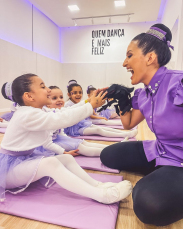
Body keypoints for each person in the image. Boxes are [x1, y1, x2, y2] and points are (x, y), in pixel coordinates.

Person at [0, 73, 132, 204]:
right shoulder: (26, 114)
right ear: (29, 96)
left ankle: (97, 185)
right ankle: (101, 195)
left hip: (21, 161)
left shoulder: (37, 111)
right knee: (51, 163)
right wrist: (90, 105)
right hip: (8, 172)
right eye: (43, 87)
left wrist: (88, 101)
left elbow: (61, 112)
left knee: (66, 158)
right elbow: (60, 119)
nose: (48, 90)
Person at [100, 23, 183, 226]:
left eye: (129, 55)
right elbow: (128, 124)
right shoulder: (144, 93)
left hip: (180, 161)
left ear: (150, 57)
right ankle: (163, 175)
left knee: (149, 205)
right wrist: (122, 99)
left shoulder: (177, 83)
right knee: (108, 155)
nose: (124, 63)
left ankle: (166, 180)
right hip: (159, 151)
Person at [43, 85, 108, 157]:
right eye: (54, 98)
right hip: (51, 144)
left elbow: (72, 109)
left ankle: (113, 149)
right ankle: (114, 153)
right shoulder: (47, 117)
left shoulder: (58, 111)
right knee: (82, 147)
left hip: (59, 139)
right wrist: (63, 152)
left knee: (83, 143)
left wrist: (88, 101)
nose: (59, 100)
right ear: (47, 103)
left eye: (61, 97)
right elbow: (47, 143)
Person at [64, 80, 137, 139]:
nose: (78, 95)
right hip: (75, 129)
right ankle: (124, 135)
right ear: (69, 94)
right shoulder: (67, 105)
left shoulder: (82, 102)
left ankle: (126, 133)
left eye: (80, 92)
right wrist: (99, 117)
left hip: (83, 123)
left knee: (100, 127)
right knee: (98, 130)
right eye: (75, 93)